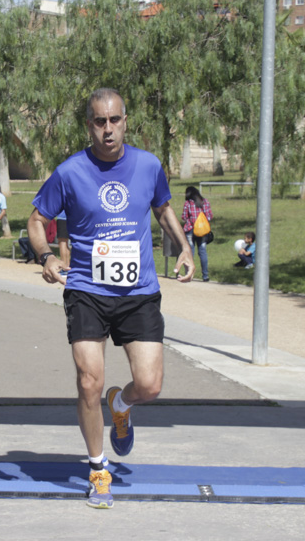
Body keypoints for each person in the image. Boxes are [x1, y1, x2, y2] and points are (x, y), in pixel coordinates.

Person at [27, 88, 194, 510]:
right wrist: (46, 256)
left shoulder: (148, 165)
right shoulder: (69, 172)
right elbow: (36, 220)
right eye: (99, 122)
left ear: (125, 121)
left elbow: (163, 210)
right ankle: (98, 469)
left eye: (114, 120)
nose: (107, 129)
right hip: (86, 289)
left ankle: (121, 404)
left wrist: (186, 248)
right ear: (89, 125)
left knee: (151, 385)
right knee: (88, 380)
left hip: (138, 292)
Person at [181, 186, 213, 281]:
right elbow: (209, 216)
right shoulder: (205, 202)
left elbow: (184, 217)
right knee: (203, 252)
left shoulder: (188, 203)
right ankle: (205, 276)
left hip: (190, 230)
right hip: (202, 231)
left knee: (190, 252)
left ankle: (189, 274)